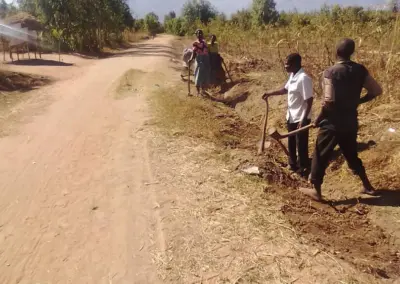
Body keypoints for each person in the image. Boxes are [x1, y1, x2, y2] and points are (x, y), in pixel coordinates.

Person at [300, 38, 383, 202]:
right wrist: (358, 101)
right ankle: (367, 186)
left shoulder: (330, 72)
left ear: (336, 52)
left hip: (332, 124)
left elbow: (329, 102)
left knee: (319, 154)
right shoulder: (360, 70)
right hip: (351, 122)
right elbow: (376, 91)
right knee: (351, 154)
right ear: (351, 53)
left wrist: (318, 119)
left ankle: (316, 190)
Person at [262, 53, 314, 176]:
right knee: (291, 141)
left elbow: (309, 100)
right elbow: (285, 90)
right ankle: (292, 164)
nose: (285, 66)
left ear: (296, 64)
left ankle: (303, 169)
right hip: (291, 115)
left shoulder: (303, 78)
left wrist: (303, 119)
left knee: (301, 143)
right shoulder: (292, 75)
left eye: (288, 64)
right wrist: (270, 93)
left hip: (301, 117)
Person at [189, 29, 210, 96]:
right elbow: (194, 52)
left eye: (201, 33)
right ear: (196, 35)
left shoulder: (204, 42)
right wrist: (191, 59)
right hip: (199, 60)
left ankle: (203, 90)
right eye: (198, 33)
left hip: (205, 59)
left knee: (204, 75)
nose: (200, 34)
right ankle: (198, 92)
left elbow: (207, 51)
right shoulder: (195, 43)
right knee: (198, 75)